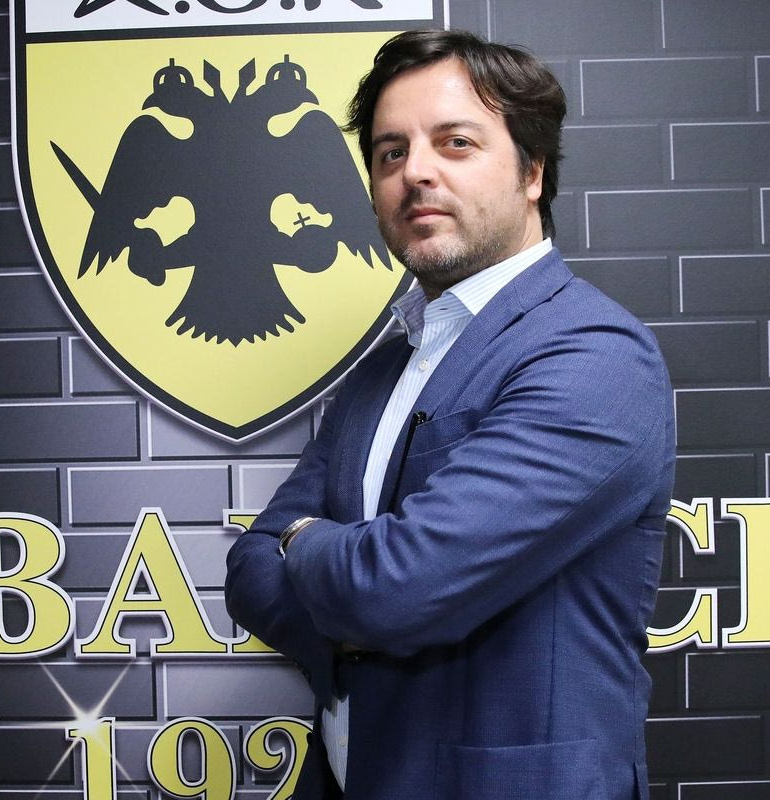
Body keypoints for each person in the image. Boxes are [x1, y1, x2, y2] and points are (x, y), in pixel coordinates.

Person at [225, 28, 674, 800]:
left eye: (456, 143)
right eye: (390, 152)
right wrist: (357, 609)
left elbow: (394, 586)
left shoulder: (593, 356)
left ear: (532, 171)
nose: (416, 172)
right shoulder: (381, 372)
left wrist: (309, 545)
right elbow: (250, 571)